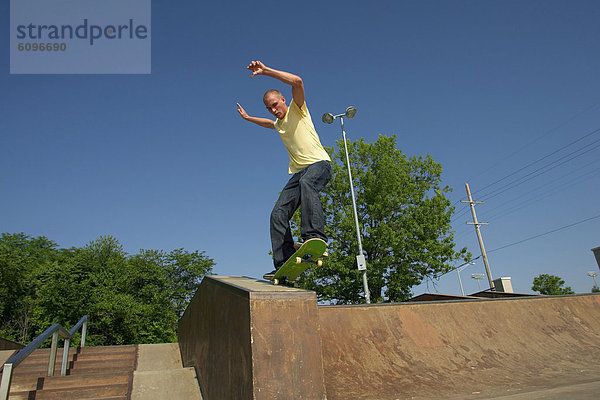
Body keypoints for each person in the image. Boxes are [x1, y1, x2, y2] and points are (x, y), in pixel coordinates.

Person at [236, 60, 331, 279]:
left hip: (319, 165)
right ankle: (284, 261)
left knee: (308, 184)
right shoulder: (278, 124)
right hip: (299, 174)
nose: (274, 110)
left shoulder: (298, 110)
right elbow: (269, 124)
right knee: (277, 213)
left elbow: (298, 81)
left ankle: (314, 236)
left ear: (283, 100)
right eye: (269, 108)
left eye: (275, 104)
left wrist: (266, 71)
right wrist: (249, 118)